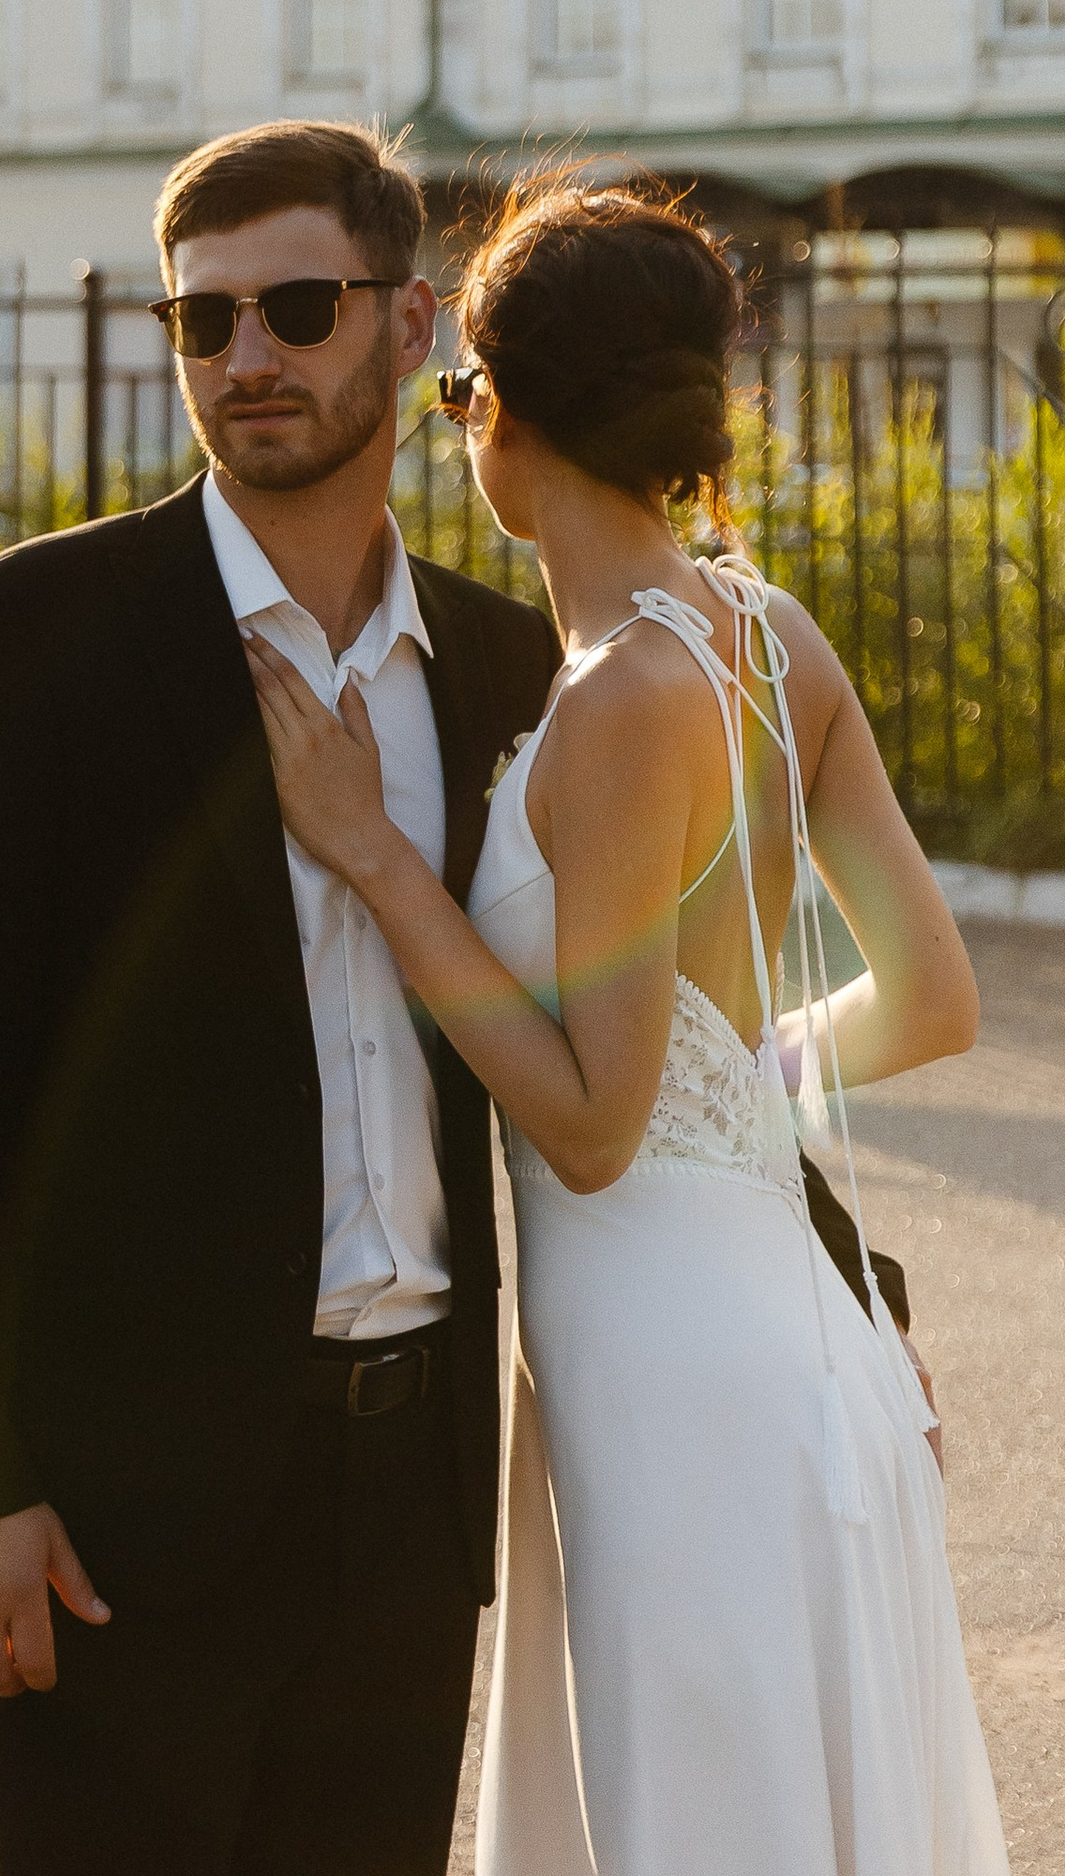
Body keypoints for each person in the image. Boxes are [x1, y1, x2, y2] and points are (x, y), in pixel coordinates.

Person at [244, 177, 1007, 1874]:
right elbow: (933, 994)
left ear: (505, 411)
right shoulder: (768, 634)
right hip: (796, 1346)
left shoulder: (613, 705)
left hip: (682, 1389)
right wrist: (727, 1102)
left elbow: (590, 1129)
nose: (457, 437)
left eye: (461, 399)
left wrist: (377, 855)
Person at [0, 119, 560, 1874]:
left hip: (410, 1504)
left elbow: (633, 1023)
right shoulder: (29, 636)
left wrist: (853, 1296)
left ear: (409, 331)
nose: (246, 356)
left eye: (299, 306)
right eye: (203, 321)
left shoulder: (501, 665)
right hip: (122, 1509)